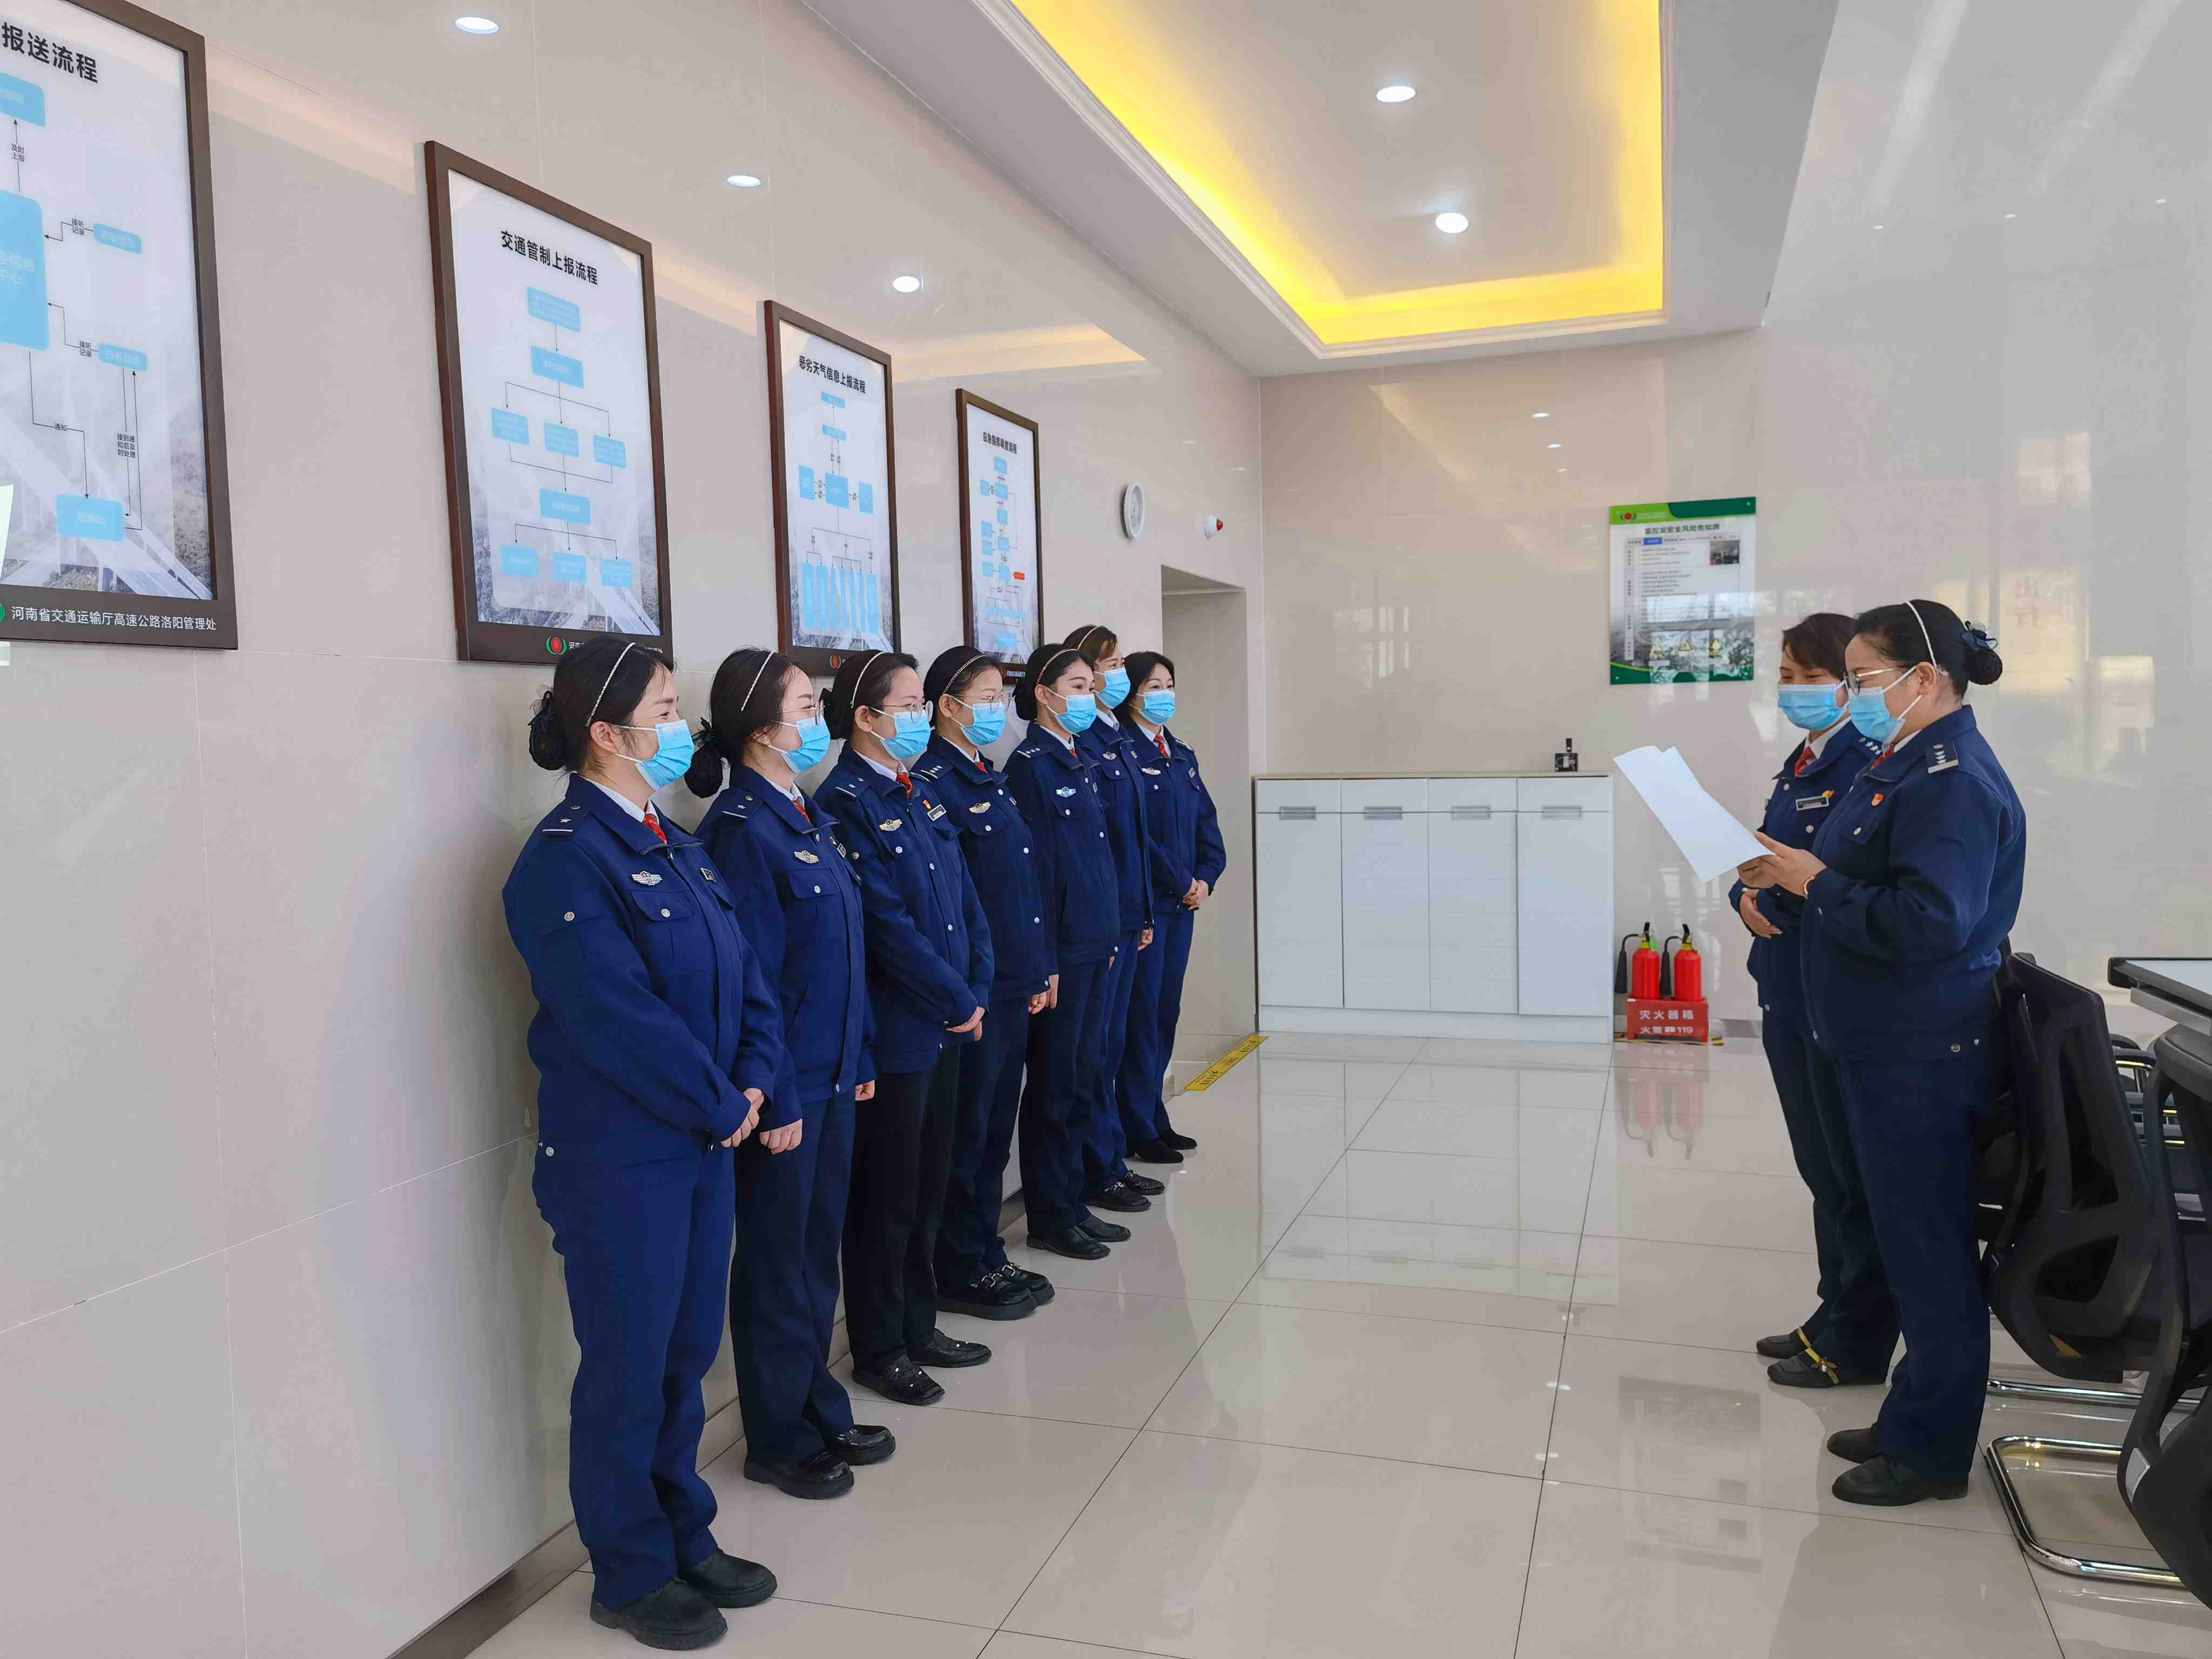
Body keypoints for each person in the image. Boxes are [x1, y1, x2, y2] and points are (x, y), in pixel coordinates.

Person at [503, 637, 783, 1651]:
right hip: (623, 1160)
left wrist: (755, 1078)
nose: (680, 727)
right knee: (628, 1370)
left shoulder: (676, 843)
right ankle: (628, 1571)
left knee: (684, 1357)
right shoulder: (564, 858)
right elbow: (615, 1017)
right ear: (606, 734)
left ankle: (682, 1535)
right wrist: (722, 1100)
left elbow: (746, 973)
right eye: (663, 711)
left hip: (703, 1142)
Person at [1743, 598, 2021, 1507]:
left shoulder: (1951, 780)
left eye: (1861, 679)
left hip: (1920, 1050)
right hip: (1879, 1039)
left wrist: (1814, 880)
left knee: (1929, 1252)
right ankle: (1910, 1414)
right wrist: (1795, 882)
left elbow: (1931, 922)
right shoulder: (1901, 763)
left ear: (1924, 679)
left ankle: (1930, 1451)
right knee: (1903, 1238)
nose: (1853, 696)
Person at [685, 649, 892, 1501]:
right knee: (777, 1264)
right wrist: (773, 1096)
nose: (818, 719)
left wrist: (861, 1056)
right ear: (762, 729)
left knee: (814, 1254)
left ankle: (819, 1407)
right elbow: (753, 984)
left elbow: (846, 954)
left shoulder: (802, 815)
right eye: (805, 707)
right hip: (788, 1091)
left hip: (833, 1077)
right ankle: (776, 1436)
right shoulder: (742, 831)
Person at [815, 650, 995, 1405]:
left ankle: (920, 1324)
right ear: (865, 716)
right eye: (910, 705)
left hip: (947, 1023)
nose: (921, 718)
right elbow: (885, 926)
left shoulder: (917, 790)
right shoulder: (845, 801)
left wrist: (975, 985)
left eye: (925, 705)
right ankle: (880, 1346)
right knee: (885, 1199)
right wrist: (954, 995)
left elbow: (964, 899)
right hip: (898, 1032)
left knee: (927, 1185)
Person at [1725, 615, 1891, 1390]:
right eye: (1785, 678)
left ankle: (1856, 1334)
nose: (1794, 692)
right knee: (1821, 1168)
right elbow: (1767, 856)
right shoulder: (1805, 759)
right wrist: (1742, 897)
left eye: (1810, 677)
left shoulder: (1865, 760)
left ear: (1850, 684)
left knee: (1848, 1172)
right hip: (1785, 983)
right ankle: (1832, 1310)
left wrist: (1776, 900)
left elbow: (1839, 873)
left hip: (1829, 986)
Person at [914, 649, 1058, 1318]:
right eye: (988, 697)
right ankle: (959, 1266)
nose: (1001, 709)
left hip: (1010, 981)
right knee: (967, 1134)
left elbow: (1022, 884)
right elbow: (953, 902)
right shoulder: (932, 781)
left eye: (1003, 697)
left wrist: (1036, 967)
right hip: (974, 987)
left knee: (994, 1130)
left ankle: (984, 1251)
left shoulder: (987, 775)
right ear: (948, 705)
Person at [1003, 640, 1125, 1260]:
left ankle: (1074, 1201)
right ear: (1045, 695)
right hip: (1062, 952)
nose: (1088, 696)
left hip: (1095, 942)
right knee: (1054, 1084)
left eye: (1088, 685)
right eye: (1077, 687)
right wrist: (1044, 958)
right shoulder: (1030, 766)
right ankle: (1050, 1214)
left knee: (1082, 1076)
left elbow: (1096, 859)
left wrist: (1110, 933)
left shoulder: (1080, 758)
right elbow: (1036, 874)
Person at [1064, 624, 1162, 1215]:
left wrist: (1143, 911)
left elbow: (1133, 835)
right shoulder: (1086, 742)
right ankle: (1096, 1167)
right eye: (1110, 664)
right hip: (1101, 920)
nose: (1118, 673)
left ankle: (1109, 1158)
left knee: (1113, 1042)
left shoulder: (1115, 736)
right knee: (1093, 1052)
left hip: (1125, 914)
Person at [1117, 651, 1224, 1163]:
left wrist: (1206, 879)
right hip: (1152, 906)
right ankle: (1135, 1124)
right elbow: (1138, 836)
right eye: (1153, 685)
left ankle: (1154, 1114)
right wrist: (1181, 881)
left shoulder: (1180, 753)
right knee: (1141, 1016)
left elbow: (1207, 823)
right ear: (1131, 693)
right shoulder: (1123, 753)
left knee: (1165, 1013)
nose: (1164, 694)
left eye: (1170, 684)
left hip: (1184, 906)